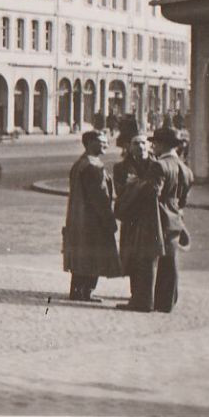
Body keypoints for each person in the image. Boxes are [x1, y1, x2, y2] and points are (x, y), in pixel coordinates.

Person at [62, 130, 122, 302]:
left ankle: (77, 291)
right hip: (93, 221)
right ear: (89, 143)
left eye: (106, 141)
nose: (106, 144)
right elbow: (100, 198)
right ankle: (85, 292)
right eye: (101, 142)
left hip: (80, 219)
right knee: (92, 255)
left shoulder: (82, 163)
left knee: (82, 255)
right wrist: (110, 220)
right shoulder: (92, 167)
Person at [113, 133, 163, 312]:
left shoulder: (156, 166)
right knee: (131, 257)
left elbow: (155, 190)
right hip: (130, 219)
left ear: (148, 146)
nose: (140, 146)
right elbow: (119, 191)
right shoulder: (120, 167)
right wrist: (141, 186)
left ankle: (145, 299)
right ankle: (136, 296)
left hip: (149, 220)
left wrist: (135, 185)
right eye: (136, 143)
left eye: (143, 143)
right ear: (129, 147)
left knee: (147, 258)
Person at [149, 125, 193, 313]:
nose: (154, 148)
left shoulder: (160, 166)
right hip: (176, 217)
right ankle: (168, 300)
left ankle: (156, 300)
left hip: (159, 216)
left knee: (154, 260)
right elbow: (184, 199)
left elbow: (152, 194)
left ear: (162, 144)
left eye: (155, 144)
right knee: (171, 260)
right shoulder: (185, 169)